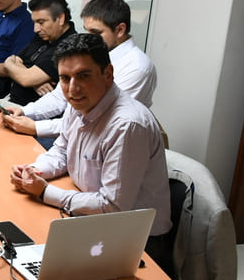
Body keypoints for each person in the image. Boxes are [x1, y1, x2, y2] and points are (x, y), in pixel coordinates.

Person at [9, 33, 172, 243]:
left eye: (84, 76)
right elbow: (61, 150)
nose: (73, 89)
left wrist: (45, 192)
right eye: (65, 78)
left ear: (108, 74)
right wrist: (34, 171)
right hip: (94, 217)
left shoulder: (126, 125)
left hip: (135, 238)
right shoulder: (80, 103)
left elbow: (112, 206)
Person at [2, 0, 157, 139]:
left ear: (120, 30)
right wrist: (25, 112)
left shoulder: (137, 67)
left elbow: (98, 120)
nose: (89, 38)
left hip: (101, 140)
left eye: (95, 33)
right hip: (72, 135)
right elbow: (60, 98)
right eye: (87, 31)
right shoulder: (93, 53)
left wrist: (36, 127)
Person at [0, 0, 76, 106]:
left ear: (60, 18)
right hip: (11, 101)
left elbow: (25, 78)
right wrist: (34, 81)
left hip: (33, 112)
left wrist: (26, 76)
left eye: (41, 22)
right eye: (34, 22)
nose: (36, 29)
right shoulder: (44, 35)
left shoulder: (69, 46)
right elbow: (15, 60)